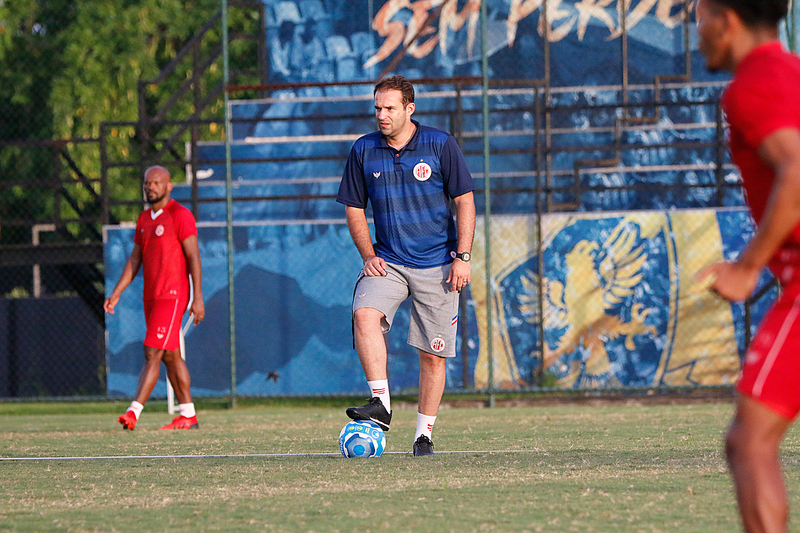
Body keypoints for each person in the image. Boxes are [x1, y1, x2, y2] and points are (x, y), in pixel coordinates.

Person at [695, 1, 800, 531]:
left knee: (748, 441)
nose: (699, 34)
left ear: (726, 20)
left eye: (699, 18)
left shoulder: (754, 83)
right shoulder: (791, 73)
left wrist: (746, 266)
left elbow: (797, 173)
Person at [337, 75, 476, 456]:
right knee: (364, 314)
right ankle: (380, 403)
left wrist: (463, 258)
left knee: (432, 355)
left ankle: (423, 436)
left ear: (409, 109)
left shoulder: (439, 144)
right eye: (378, 108)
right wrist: (368, 255)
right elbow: (353, 207)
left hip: (438, 265)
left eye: (390, 108)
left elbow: (465, 201)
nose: (382, 115)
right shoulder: (364, 149)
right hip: (390, 262)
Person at [104, 166, 205, 431]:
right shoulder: (144, 219)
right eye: (147, 183)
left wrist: (198, 298)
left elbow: (194, 257)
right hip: (151, 296)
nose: (150, 187)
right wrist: (116, 293)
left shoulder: (180, 215)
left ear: (169, 186)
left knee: (152, 351)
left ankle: (133, 411)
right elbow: (135, 259)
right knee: (171, 355)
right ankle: (188, 415)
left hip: (173, 296)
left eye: (156, 183)